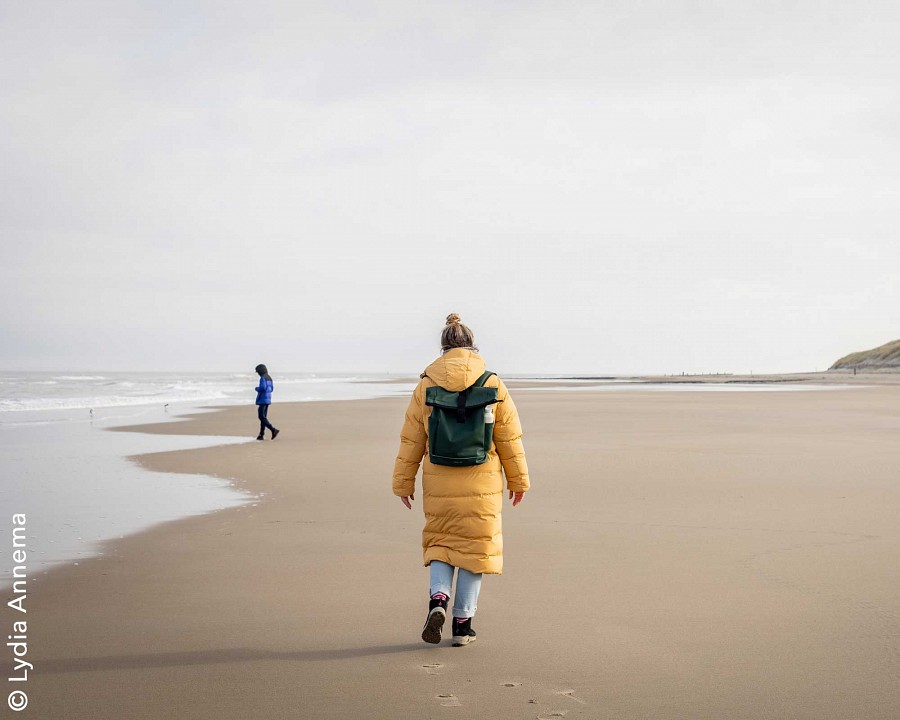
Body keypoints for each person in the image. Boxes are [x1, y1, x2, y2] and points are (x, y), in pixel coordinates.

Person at [392, 314, 529, 646]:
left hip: (439, 479)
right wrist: (518, 481)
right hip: (481, 482)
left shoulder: (426, 385)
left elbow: (412, 439)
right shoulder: (492, 383)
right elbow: (509, 438)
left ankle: (438, 600)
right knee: (475, 551)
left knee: (441, 543)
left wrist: (403, 483)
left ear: (443, 347)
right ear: (472, 346)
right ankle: (462, 626)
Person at [254, 364, 279, 441]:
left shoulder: (262, 378)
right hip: (268, 399)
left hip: (262, 400)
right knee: (263, 417)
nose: (257, 373)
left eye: (258, 372)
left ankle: (273, 429)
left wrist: (257, 388)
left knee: (261, 417)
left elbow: (263, 387)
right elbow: (271, 389)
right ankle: (261, 434)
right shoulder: (269, 377)